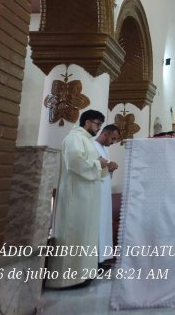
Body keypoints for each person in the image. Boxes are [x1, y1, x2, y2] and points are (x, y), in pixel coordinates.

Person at [47, 109, 110, 288]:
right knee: (75, 234)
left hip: (87, 198)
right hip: (76, 198)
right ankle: (68, 279)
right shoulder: (74, 138)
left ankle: (84, 275)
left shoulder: (86, 141)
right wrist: (99, 163)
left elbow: (89, 162)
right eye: (97, 124)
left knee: (85, 235)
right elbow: (75, 162)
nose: (98, 128)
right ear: (87, 122)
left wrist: (100, 164)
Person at [94, 124, 120, 268]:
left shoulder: (105, 150)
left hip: (105, 192)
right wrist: (107, 166)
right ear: (105, 134)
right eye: (112, 138)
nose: (113, 142)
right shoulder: (91, 146)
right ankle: (95, 260)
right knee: (97, 226)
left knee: (104, 225)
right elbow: (91, 166)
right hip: (96, 191)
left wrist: (111, 167)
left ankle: (102, 258)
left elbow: (105, 167)